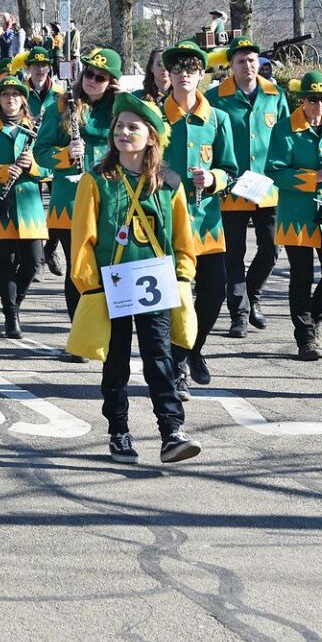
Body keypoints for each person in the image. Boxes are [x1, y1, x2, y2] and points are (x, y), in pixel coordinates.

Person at [70, 92, 200, 464]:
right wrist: (91, 285)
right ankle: (119, 431)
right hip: (111, 284)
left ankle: (172, 431)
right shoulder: (95, 180)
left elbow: (182, 239)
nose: (124, 132)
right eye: (119, 126)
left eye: (134, 127)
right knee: (116, 362)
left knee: (160, 359)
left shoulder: (170, 183)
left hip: (155, 282)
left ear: (151, 137)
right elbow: (83, 239)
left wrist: (183, 276)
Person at [158, 40, 238, 397]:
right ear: (168, 75)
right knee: (176, 299)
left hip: (207, 223)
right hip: (166, 223)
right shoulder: (155, 117)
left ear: (201, 75)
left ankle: (195, 349)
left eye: (191, 69)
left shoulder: (217, 118)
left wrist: (214, 178)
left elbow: (231, 169)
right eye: (177, 69)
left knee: (213, 293)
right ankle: (176, 369)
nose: (184, 75)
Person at [265, 71, 322, 360]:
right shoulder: (284, 129)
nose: (319, 104)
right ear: (302, 100)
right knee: (302, 276)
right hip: (297, 213)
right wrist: (313, 177)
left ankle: (312, 320)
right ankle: (306, 336)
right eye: (313, 99)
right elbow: (274, 172)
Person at [34, 48, 121, 361]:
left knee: (110, 269)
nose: (92, 80)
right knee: (78, 270)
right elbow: (41, 151)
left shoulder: (119, 108)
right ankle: (80, 339)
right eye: (88, 74)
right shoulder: (62, 106)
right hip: (69, 200)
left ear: (111, 81)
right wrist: (65, 154)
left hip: (111, 199)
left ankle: (111, 335)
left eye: (100, 77)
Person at [207, 36, 290, 338]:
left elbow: (284, 139)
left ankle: (252, 295)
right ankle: (238, 313)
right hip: (232, 188)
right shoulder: (217, 97)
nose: (248, 66)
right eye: (241, 61)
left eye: (252, 60)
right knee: (234, 254)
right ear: (231, 65)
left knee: (270, 249)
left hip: (267, 187)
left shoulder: (274, 94)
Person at [0, 75, 48, 338]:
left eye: (16, 94)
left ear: (23, 99)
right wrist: (4, 172)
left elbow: (49, 168)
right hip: (0, 205)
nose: (10, 98)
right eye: (5, 94)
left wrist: (33, 166)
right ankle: (10, 315)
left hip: (29, 207)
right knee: (7, 262)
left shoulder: (35, 131)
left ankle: (15, 302)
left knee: (34, 261)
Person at [15, 46, 65, 278]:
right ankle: (31, 258)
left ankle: (50, 249)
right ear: (29, 68)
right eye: (35, 65)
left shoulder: (60, 92)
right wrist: (29, 120)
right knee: (31, 209)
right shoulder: (19, 91)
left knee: (56, 210)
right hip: (25, 153)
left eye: (44, 65)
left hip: (52, 155)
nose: (40, 69)